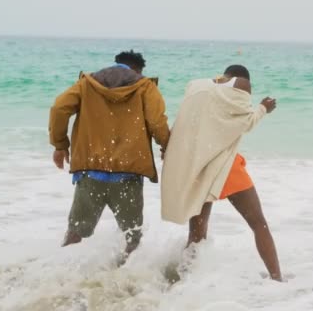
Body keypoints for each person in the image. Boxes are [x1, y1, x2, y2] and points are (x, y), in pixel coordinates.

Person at [161, 65, 282, 281]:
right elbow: (246, 124)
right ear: (242, 79)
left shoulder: (196, 87)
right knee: (258, 223)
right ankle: (277, 278)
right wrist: (263, 107)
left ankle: (183, 281)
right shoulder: (242, 84)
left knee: (197, 234)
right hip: (225, 166)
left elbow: (184, 126)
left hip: (197, 168)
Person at [48, 50, 170, 256]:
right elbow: (157, 122)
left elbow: (59, 108)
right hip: (128, 176)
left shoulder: (87, 84)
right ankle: (127, 281)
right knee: (132, 238)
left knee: (75, 233)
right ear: (138, 69)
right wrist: (166, 146)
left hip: (91, 173)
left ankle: (56, 276)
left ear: (117, 64)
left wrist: (60, 145)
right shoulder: (145, 86)